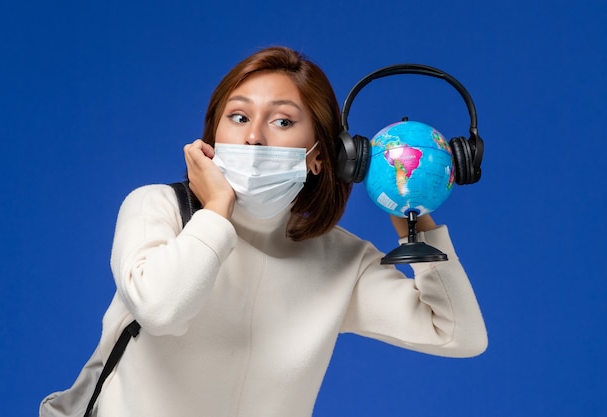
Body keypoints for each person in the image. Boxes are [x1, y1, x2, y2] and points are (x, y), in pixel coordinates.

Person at [40, 46, 487, 417]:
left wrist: (413, 207)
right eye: (238, 117)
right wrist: (216, 212)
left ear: (321, 157)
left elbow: (457, 334)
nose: (253, 137)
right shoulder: (158, 208)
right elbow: (162, 309)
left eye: (282, 121)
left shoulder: (342, 261)